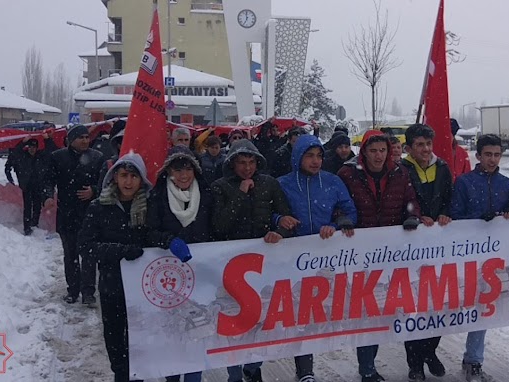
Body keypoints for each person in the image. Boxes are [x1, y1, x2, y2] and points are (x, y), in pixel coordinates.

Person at [78, 153, 179, 382]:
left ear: (141, 179)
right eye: (124, 175)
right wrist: (120, 251)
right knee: (116, 342)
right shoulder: (99, 207)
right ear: (114, 177)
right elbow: (85, 246)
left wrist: (166, 240)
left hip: (145, 289)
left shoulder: (150, 206)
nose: (128, 182)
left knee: (143, 341)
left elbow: (154, 234)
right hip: (112, 285)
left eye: (134, 176)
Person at [337, 130, 422, 382]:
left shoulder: (400, 173)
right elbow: (338, 203)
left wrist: (411, 215)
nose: (378, 155)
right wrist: (341, 217)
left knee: (390, 307)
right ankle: (367, 368)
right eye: (373, 150)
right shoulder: (347, 174)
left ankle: (413, 359)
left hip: (392, 252)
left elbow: (411, 200)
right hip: (359, 251)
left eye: (382, 150)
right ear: (364, 151)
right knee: (366, 311)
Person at [210, 138, 295, 382]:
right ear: (232, 164)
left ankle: (253, 367)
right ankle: (234, 373)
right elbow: (218, 226)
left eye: (251, 163)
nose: (247, 168)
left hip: (264, 264)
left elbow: (287, 217)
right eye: (241, 163)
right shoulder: (220, 187)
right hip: (232, 264)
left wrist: (280, 231)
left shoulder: (269, 184)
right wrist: (239, 194)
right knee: (235, 320)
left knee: (261, 319)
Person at [277, 135, 357, 382]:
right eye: (309, 156)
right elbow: (269, 212)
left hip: (325, 259)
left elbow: (350, 211)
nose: (315, 161)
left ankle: (307, 367)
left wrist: (336, 224)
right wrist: (278, 221)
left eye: (319, 156)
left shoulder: (332, 182)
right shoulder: (282, 183)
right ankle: (303, 369)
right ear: (298, 157)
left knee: (317, 312)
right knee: (297, 313)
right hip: (292, 258)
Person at [451, 134, 509, 382]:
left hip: (494, 257)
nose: (492, 159)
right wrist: (478, 218)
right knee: (451, 305)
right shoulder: (464, 182)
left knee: (483, 306)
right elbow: (456, 216)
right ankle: (424, 353)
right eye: (487, 154)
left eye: (497, 154)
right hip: (467, 254)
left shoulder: (506, 183)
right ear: (478, 156)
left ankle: (473, 360)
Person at [146, 146, 210, 382]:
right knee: (173, 333)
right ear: (168, 172)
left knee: (197, 331)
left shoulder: (206, 193)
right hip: (169, 275)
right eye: (177, 169)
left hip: (200, 272)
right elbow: (149, 231)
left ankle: (194, 376)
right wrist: (168, 240)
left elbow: (214, 229)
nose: (183, 175)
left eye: (188, 169)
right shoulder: (158, 195)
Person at [400, 123, 453, 381]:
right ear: (409, 148)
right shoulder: (401, 169)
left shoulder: (442, 168)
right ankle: (415, 362)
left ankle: (430, 351)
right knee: (413, 304)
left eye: (428, 144)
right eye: (419, 145)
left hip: (438, 243)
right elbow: (401, 201)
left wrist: (445, 214)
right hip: (412, 242)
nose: (425, 149)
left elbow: (449, 199)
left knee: (438, 302)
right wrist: (416, 218)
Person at [44, 124, 104, 305]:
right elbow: (48, 179)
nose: (85, 141)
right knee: (70, 254)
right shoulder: (58, 157)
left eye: (87, 137)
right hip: (67, 213)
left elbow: (105, 182)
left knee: (89, 254)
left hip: (89, 214)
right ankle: (73, 290)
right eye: (81, 137)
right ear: (71, 140)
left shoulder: (97, 157)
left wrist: (93, 190)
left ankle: (88, 292)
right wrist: (48, 196)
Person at [6, 133, 59, 235]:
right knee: (27, 207)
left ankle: (34, 224)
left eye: (34, 147)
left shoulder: (41, 156)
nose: (32, 149)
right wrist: (23, 142)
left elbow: (52, 151)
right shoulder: (23, 156)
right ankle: (27, 228)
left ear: (37, 148)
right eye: (30, 147)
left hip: (38, 185)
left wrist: (47, 140)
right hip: (27, 186)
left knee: (37, 206)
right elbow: (14, 153)